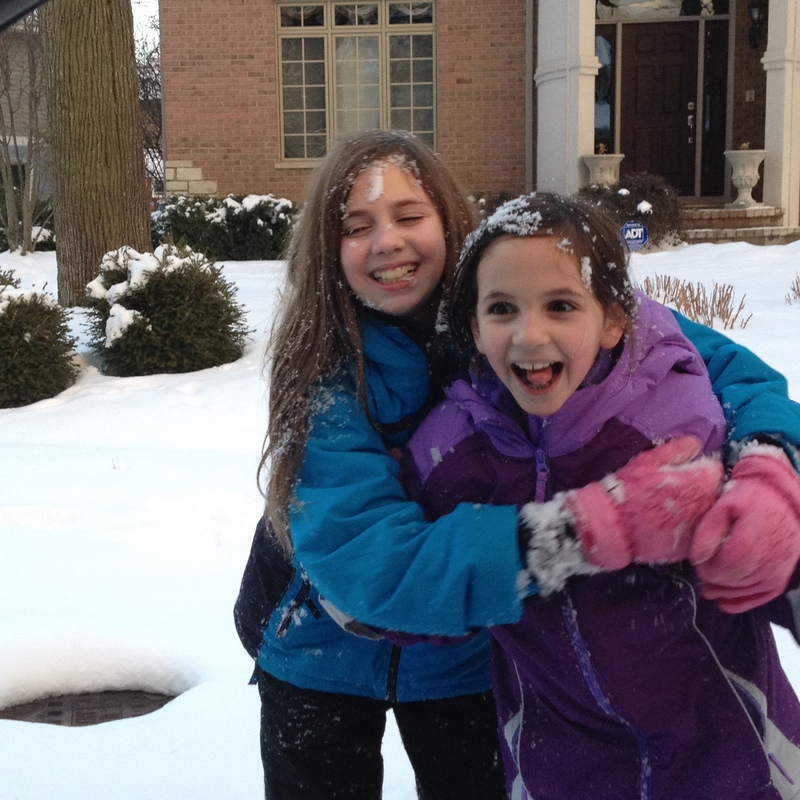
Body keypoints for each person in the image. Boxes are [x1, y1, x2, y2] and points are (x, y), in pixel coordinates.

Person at [234, 130, 799, 798]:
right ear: (327, 252)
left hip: (476, 658)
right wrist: (577, 531)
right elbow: (367, 562)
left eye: (409, 215)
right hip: (316, 652)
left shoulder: (517, 298)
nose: (386, 241)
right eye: (356, 227)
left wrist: (770, 469)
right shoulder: (326, 376)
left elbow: (719, 370)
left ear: (449, 220)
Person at [399, 192, 800, 799]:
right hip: (559, 773)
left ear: (614, 319)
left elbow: (771, 563)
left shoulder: (677, 432)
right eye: (502, 309)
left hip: (729, 765)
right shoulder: (454, 455)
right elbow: (392, 596)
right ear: (475, 329)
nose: (530, 335)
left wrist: (771, 537)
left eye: (561, 305)